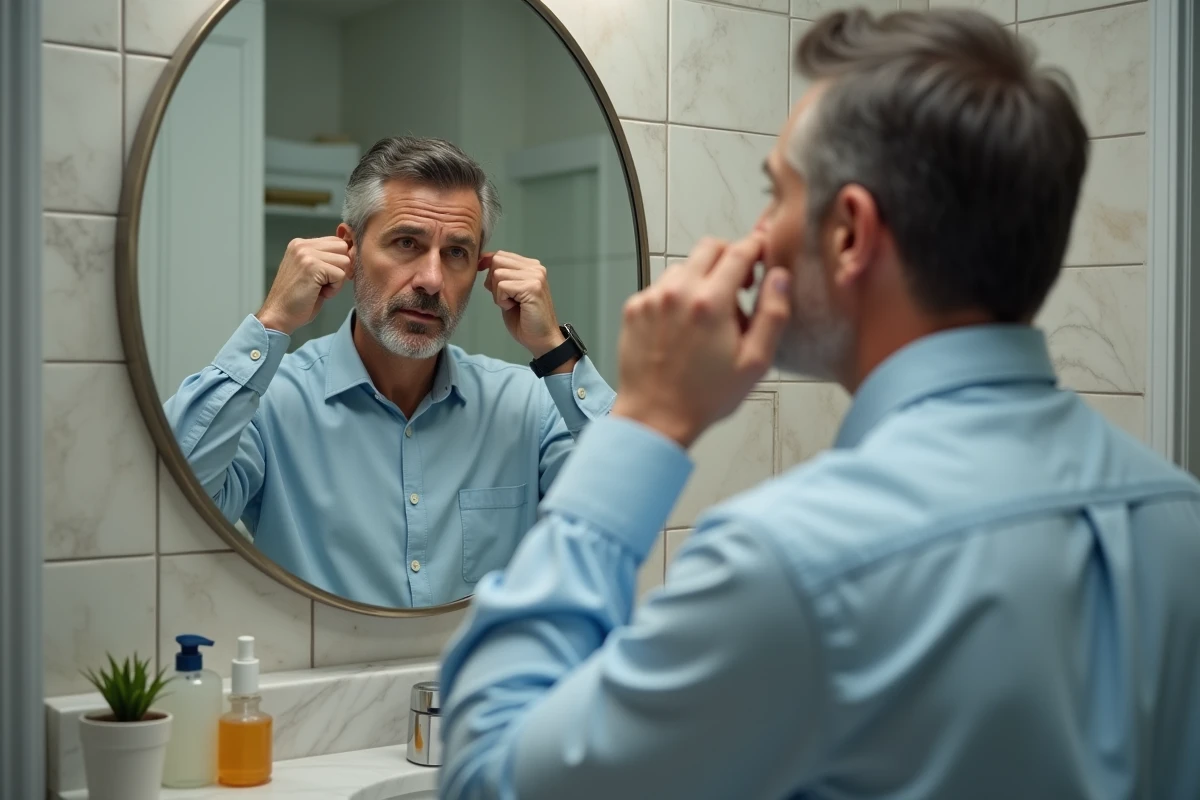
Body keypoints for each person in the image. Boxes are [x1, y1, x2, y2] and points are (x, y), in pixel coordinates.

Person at [439, 8, 1200, 799]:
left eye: (776, 195)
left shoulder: (792, 565)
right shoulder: (1179, 517)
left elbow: (489, 779)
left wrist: (647, 423)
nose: (757, 236)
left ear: (848, 234)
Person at [164, 137, 614, 608]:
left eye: (455, 253)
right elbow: (168, 502)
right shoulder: (271, 403)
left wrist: (555, 350)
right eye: (407, 243)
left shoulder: (527, 406)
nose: (431, 280)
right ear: (349, 249)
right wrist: (272, 321)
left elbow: (631, 513)